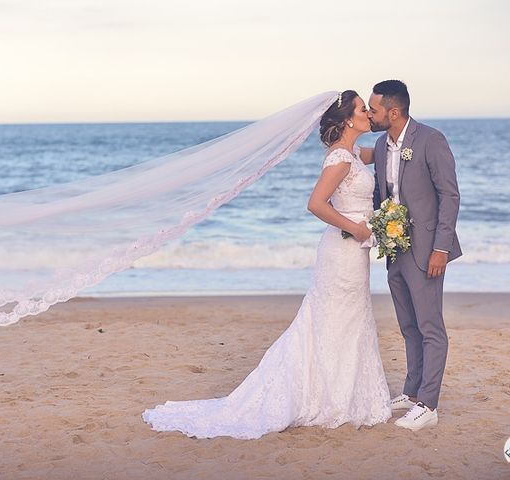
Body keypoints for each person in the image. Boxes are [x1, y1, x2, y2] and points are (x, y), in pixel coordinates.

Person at [142, 90, 392, 439]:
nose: (369, 114)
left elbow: (382, 155)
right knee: (333, 320)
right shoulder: (340, 159)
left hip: (354, 252)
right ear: (349, 119)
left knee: (349, 320)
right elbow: (316, 204)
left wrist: (401, 143)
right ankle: (328, 398)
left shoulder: (353, 154)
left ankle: (345, 396)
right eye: (363, 109)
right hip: (343, 248)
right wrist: (356, 227)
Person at [368, 80, 461, 431]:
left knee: (429, 326)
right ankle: (411, 391)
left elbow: (449, 196)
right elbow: (382, 193)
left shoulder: (430, 140)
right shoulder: (379, 145)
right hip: (395, 250)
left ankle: (428, 404)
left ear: (394, 111)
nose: (370, 114)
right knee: (408, 326)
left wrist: (440, 248)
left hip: (426, 251)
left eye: (374, 109)